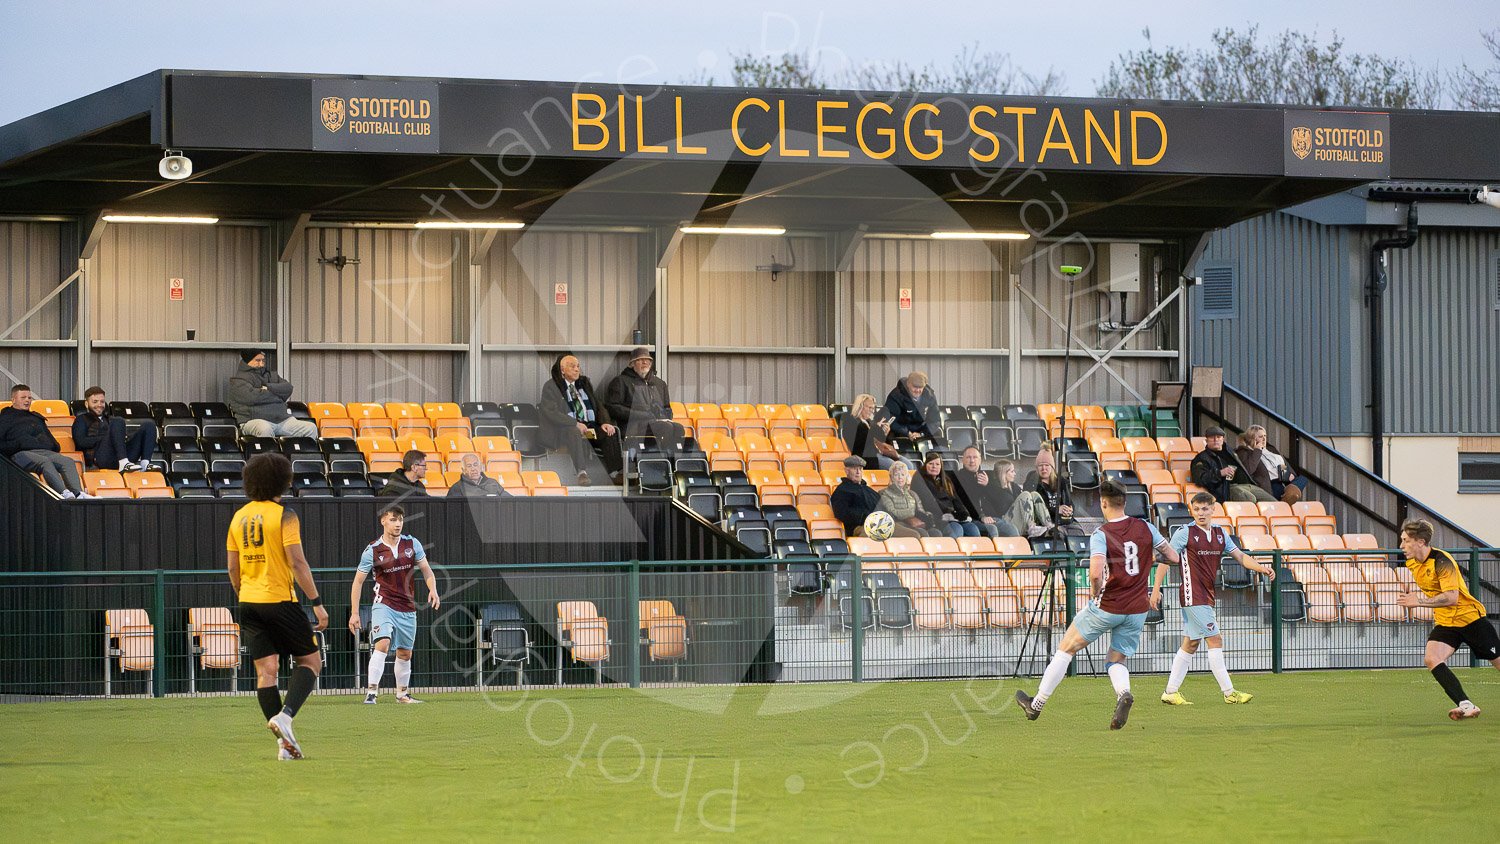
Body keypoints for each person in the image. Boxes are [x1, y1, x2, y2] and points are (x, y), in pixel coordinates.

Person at [1015, 480, 1179, 729]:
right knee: (1116, 659)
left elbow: (1095, 574)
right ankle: (1123, 693)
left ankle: (1035, 705)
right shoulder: (1146, 526)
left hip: (1109, 605)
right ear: (1124, 503)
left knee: (1066, 649)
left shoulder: (1102, 534)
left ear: (1103, 503)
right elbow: (1173, 557)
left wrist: (1095, 594)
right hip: (1137, 608)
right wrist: (1150, 557)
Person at [225, 453, 328, 760]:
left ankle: (284, 745)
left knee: (266, 673)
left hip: (248, 601)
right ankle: (286, 716)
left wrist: (244, 593)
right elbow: (297, 561)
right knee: (311, 662)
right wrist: (317, 603)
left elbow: (233, 568)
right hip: (279, 599)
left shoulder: (239, 516)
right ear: (282, 480)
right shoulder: (285, 515)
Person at [1150, 492, 1276, 705]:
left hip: (1206, 594)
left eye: (1205, 509)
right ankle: (1229, 693)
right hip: (1192, 594)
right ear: (1192, 510)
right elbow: (1165, 560)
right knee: (1215, 639)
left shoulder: (1220, 533)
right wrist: (1155, 589)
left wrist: (1261, 568)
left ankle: (1170, 692)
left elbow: (1241, 557)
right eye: (1197, 509)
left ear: (1213, 509)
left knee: (1190, 644)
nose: (1201, 513)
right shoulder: (1185, 533)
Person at [1396, 519, 1500, 720]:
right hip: (1446, 622)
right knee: (1432, 658)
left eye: (1406, 540)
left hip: (1470, 619)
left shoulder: (1442, 561)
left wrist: (1418, 601)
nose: (1401, 545)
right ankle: (1466, 705)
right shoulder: (1411, 562)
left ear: (1421, 541)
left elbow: (1452, 598)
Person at [349, 504, 440, 704]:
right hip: (384, 603)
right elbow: (358, 581)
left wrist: (432, 588)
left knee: (405, 653)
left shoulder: (412, 543)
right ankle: (371, 693)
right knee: (382, 643)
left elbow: (426, 570)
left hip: (407, 606)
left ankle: (402, 694)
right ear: (383, 521)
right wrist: (355, 613)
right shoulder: (372, 550)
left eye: (400, 520)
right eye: (392, 519)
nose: (397, 524)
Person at [539, 353, 622, 485]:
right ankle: (581, 473)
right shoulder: (551, 386)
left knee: (609, 432)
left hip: (589, 425)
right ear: (562, 370)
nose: (577, 369)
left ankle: (615, 473)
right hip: (564, 428)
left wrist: (605, 422)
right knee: (574, 431)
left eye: (578, 366)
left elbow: (598, 404)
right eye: (572, 367)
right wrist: (574, 423)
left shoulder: (583, 384)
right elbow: (551, 412)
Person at [0, 384, 92, 498]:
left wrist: (54, 446)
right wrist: (18, 445)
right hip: (19, 454)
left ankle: (78, 494)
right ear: (13, 400)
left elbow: (49, 437)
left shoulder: (36, 417)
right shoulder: (4, 418)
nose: (27, 400)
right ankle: (63, 493)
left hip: (43, 450)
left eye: (29, 398)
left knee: (67, 461)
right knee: (45, 462)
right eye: (23, 397)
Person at [603, 347, 684, 455]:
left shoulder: (660, 383)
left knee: (679, 428)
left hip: (657, 423)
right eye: (640, 360)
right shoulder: (621, 381)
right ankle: (661, 457)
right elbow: (613, 408)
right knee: (666, 428)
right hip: (632, 425)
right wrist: (642, 415)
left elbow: (667, 407)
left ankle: (673, 460)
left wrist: (665, 416)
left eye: (648, 360)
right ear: (632, 363)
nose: (645, 362)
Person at [226, 351, 318, 439]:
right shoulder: (237, 380)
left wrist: (268, 388)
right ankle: (268, 455)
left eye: (263, 360)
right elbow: (252, 398)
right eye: (257, 360)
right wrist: (278, 396)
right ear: (247, 362)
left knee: (310, 428)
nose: (261, 363)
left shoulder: (271, 375)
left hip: (281, 420)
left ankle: (301, 455)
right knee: (264, 428)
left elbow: (288, 388)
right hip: (252, 420)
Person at [71, 386, 156, 472]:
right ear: (86, 403)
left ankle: (145, 464)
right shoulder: (81, 419)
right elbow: (81, 442)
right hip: (100, 458)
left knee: (149, 424)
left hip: (120, 453)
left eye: (102, 402)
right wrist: (106, 437)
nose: (99, 405)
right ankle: (123, 463)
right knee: (118, 421)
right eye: (95, 402)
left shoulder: (109, 419)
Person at [1189, 426, 1274, 503]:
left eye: (1218, 437)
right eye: (1212, 437)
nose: (1216, 440)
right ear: (1206, 440)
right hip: (1226, 488)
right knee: (1249, 499)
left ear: (1223, 439)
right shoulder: (1201, 458)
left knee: (1274, 503)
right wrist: (1220, 473)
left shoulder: (1230, 452)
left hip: (1247, 485)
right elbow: (1199, 479)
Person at [914, 450, 988, 538]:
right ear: (925, 465)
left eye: (937, 464)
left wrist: (963, 513)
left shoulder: (946, 480)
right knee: (956, 529)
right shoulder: (919, 478)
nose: (934, 467)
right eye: (931, 464)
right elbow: (929, 501)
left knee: (972, 529)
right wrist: (949, 513)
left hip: (953, 516)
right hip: (936, 517)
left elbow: (955, 499)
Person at [951, 447, 1020, 538]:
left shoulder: (990, 475)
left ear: (980, 460)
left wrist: (988, 485)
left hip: (993, 516)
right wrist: (982, 516)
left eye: (975, 457)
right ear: (962, 460)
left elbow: (1001, 500)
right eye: (968, 457)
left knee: (1011, 529)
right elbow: (966, 501)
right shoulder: (958, 478)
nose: (972, 461)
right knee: (991, 529)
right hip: (973, 518)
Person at [1235, 425, 1308, 505]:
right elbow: (1249, 469)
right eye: (1260, 436)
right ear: (1252, 438)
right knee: (1286, 491)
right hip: (1270, 485)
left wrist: (1288, 475)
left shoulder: (1271, 450)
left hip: (1282, 482)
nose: (1264, 439)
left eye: (1265, 436)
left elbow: (1284, 469)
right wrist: (1257, 450)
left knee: (1303, 479)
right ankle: (1287, 499)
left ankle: (1289, 495)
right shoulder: (1245, 452)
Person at [989, 457, 1055, 538]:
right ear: (1004, 473)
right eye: (1012, 471)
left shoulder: (1014, 486)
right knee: (1026, 494)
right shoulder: (994, 488)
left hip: (1020, 520)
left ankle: (1049, 525)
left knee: (1034, 494)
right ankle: (1031, 528)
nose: (1015, 474)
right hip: (1006, 522)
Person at [875, 459, 939, 538]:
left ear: (906, 477)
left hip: (915, 523)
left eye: (902, 474)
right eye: (896, 475)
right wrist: (911, 518)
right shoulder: (884, 493)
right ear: (891, 477)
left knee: (936, 533)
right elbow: (892, 512)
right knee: (921, 533)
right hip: (897, 524)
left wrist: (926, 518)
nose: (900, 478)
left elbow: (920, 511)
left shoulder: (912, 494)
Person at [839, 393, 900, 470]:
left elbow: (880, 439)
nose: (872, 411)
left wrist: (884, 431)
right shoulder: (851, 421)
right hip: (866, 455)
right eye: (870, 408)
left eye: (873, 408)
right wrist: (875, 428)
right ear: (860, 407)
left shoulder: (869, 422)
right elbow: (861, 443)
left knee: (907, 464)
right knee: (895, 467)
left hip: (877, 452)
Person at [881, 371, 942, 445]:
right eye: (915, 387)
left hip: (921, 430)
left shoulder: (929, 396)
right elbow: (891, 419)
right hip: (901, 431)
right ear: (908, 384)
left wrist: (922, 434)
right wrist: (907, 433)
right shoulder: (896, 395)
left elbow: (935, 420)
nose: (917, 390)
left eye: (920, 387)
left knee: (937, 435)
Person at [1024, 447, 1075, 533]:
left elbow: (1069, 502)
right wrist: (1057, 509)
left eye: (1047, 465)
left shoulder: (1060, 481)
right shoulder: (1032, 482)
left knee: (1077, 532)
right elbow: (1035, 509)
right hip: (1042, 523)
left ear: (1052, 467)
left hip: (1062, 520)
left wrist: (1069, 510)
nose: (1044, 468)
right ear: (1037, 468)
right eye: (1040, 465)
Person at [830, 455, 883, 537]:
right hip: (858, 527)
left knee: (906, 530)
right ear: (847, 471)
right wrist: (866, 516)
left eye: (860, 469)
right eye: (855, 469)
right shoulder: (842, 490)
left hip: (879, 523)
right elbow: (842, 513)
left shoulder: (868, 489)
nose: (858, 472)